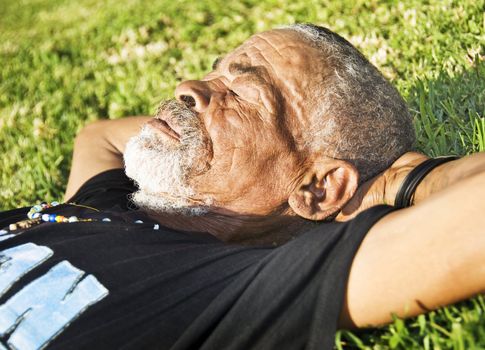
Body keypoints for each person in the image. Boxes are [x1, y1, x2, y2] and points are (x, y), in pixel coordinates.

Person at [0, 23, 484, 350]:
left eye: (239, 93)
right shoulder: (110, 204)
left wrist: (406, 179)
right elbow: (99, 137)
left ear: (317, 189)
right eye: (215, 72)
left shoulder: (228, 286)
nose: (189, 87)